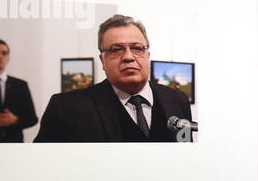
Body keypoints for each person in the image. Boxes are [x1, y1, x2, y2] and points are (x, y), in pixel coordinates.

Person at [34, 15, 192, 142]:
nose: (128, 57)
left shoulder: (177, 100)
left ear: (147, 56)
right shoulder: (65, 108)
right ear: (103, 61)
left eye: (137, 48)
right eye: (116, 50)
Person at [0, 39, 38, 143]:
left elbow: (32, 119)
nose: (0, 56)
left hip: (13, 145)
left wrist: (15, 120)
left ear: (8, 58)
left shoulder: (21, 85)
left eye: (4, 53)